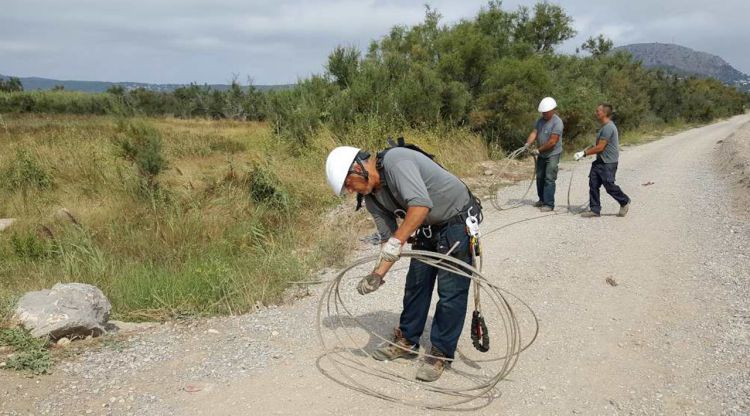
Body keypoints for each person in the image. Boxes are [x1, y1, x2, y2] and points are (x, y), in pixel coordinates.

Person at [325, 143, 482, 382]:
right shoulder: (372, 199)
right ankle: (407, 341)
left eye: (347, 183)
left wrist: (397, 242)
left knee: (451, 293)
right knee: (416, 286)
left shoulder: (397, 162)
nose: (349, 190)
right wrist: (378, 274)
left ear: (358, 167)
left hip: (455, 221)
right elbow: (390, 241)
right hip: (425, 227)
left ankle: (441, 352)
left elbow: (420, 206)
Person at [574, 103, 631, 217]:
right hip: (600, 161)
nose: (596, 113)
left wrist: (584, 153)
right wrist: (584, 151)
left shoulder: (609, 127)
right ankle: (595, 210)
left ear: (604, 113)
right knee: (593, 184)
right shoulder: (604, 127)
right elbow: (597, 145)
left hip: (608, 162)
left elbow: (600, 147)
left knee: (609, 186)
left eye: (598, 111)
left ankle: (624, 201)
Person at [525, 97, 564, 212]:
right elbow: (534, 132)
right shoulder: (540, 121)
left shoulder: (557, 123)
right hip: (542, 154)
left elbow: (552, 142)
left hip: (552, 154)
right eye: (542, 112)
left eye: (546, 112)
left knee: (549, 178)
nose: (544, 114)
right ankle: (542, 199)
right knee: (540, 177)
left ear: (552, 110)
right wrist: (528, 143)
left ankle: (549, 204)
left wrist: (538, 150)